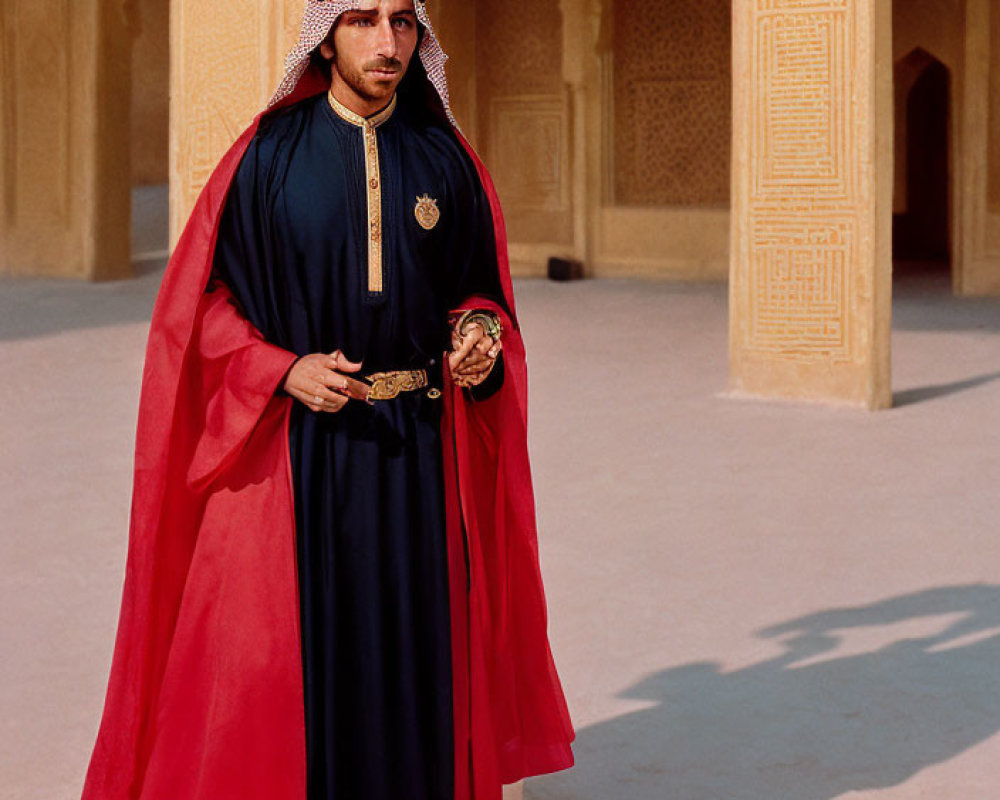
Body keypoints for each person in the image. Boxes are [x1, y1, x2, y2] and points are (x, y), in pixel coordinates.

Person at [80, 2, 574, 800]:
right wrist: (279, 367)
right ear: (324, 35)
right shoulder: (266, 160)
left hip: (415, 455)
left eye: (405, 22)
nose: (388, 43)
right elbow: (201, 307)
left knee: (412, 654)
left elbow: (478, 289)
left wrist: (479, 337)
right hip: (299, 453)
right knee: (292, 661)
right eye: (364, 20)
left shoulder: (445, 158)